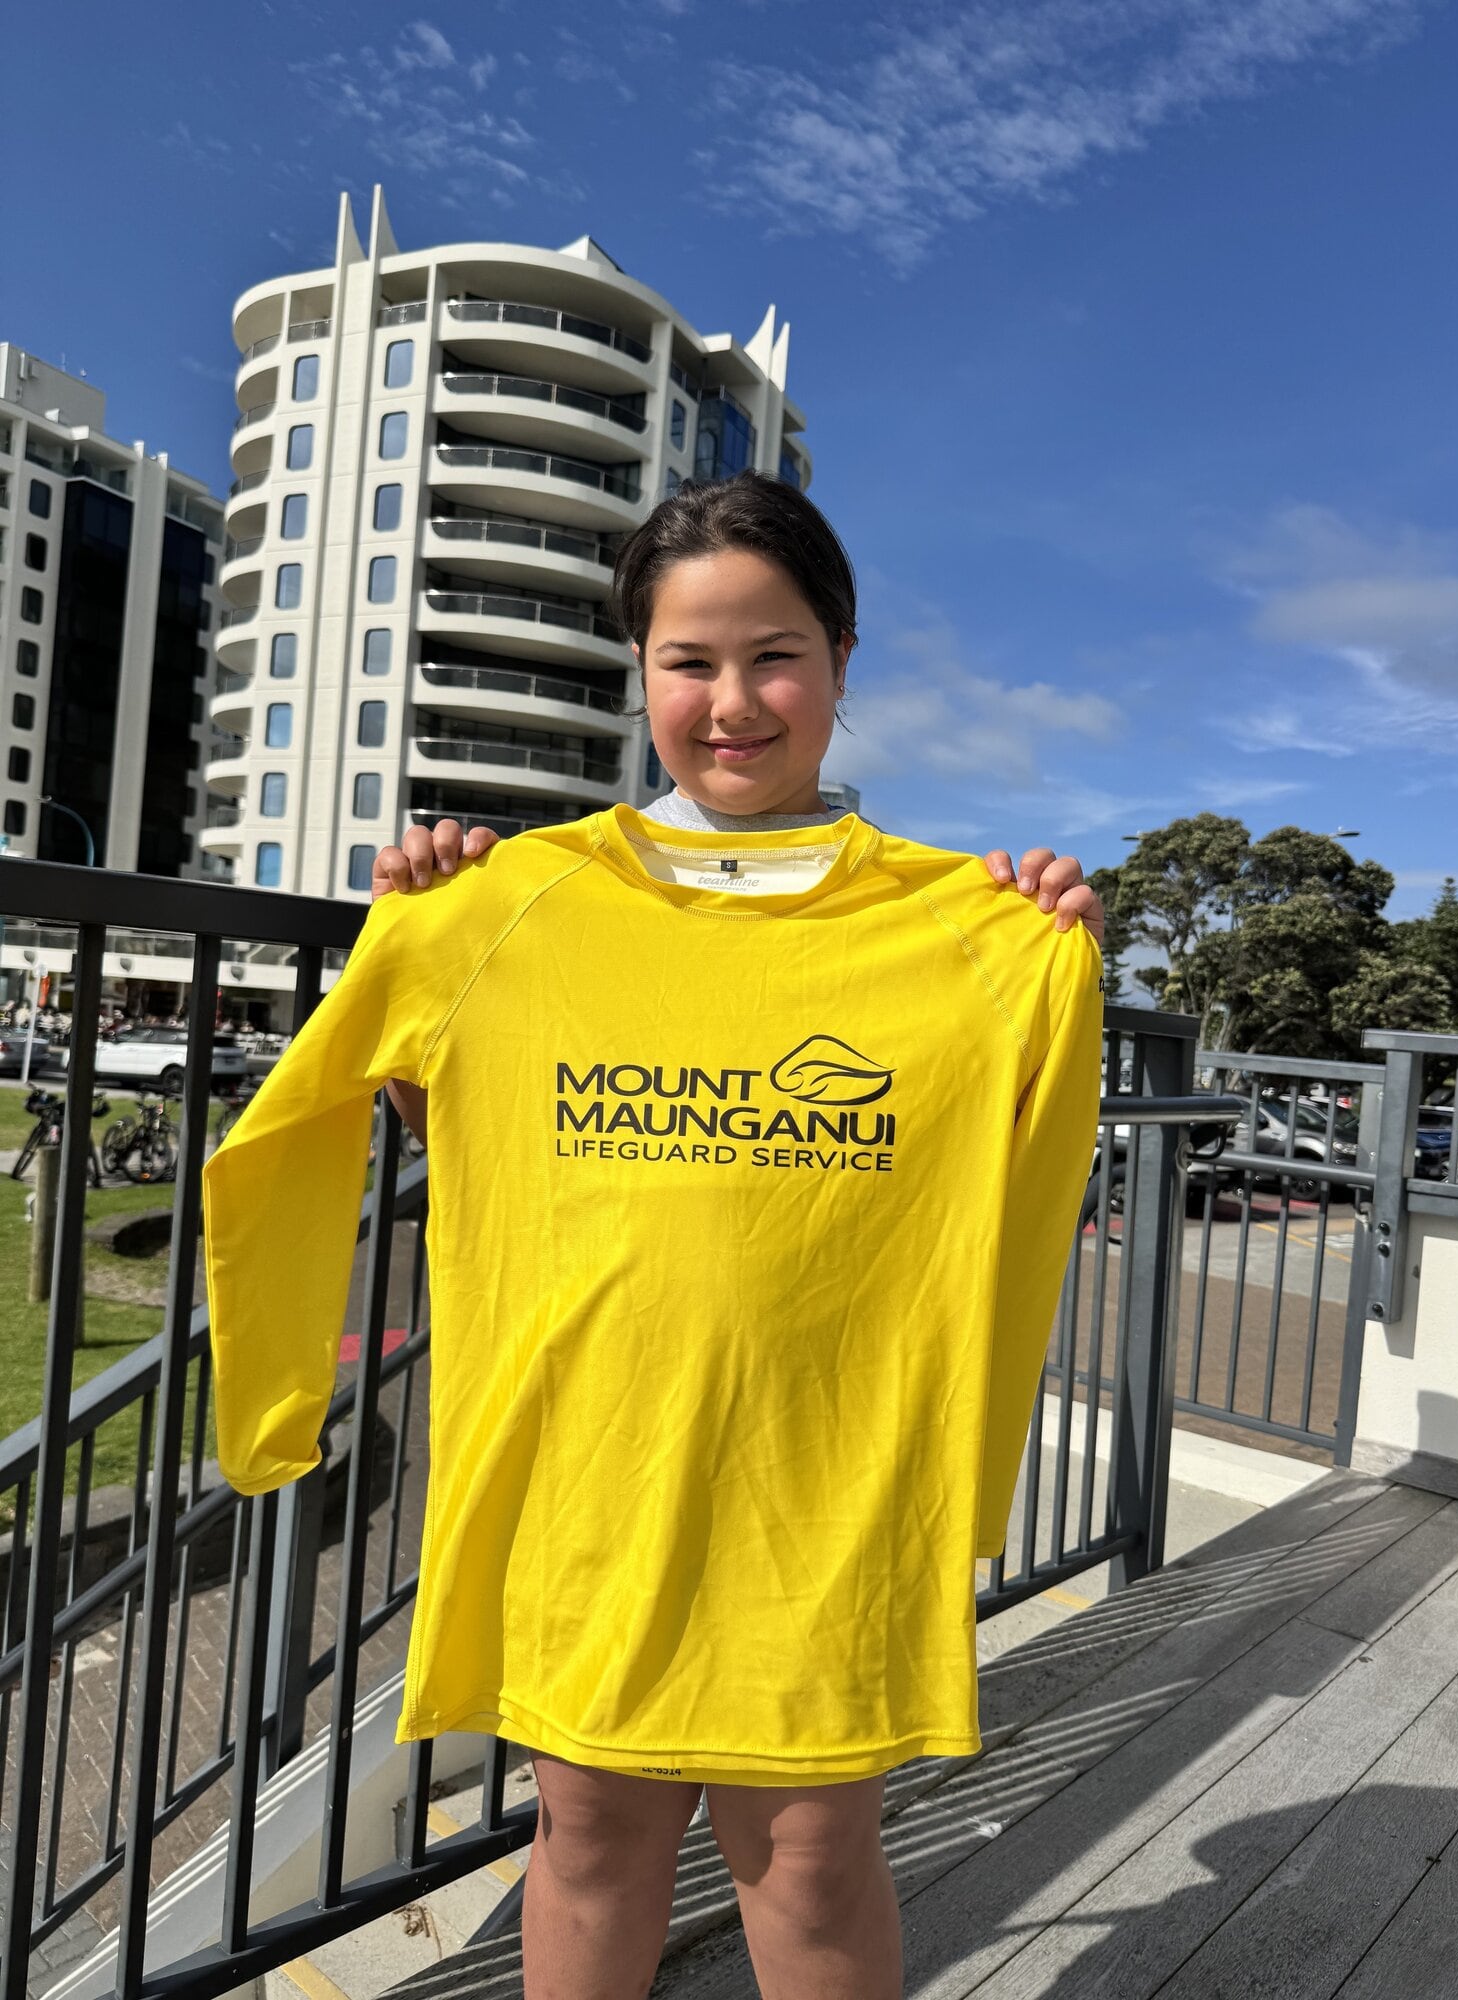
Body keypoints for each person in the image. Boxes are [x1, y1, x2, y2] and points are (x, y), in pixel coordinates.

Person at [203, 470, 1105, 2000]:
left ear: (839, 662)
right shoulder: (499, 907)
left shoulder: (979, 937)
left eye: (776, 655)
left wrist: (968, 1478)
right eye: (690, 661)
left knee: (813, 1852)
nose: (734, 701)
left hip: (826, 1487)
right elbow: (299, 1141)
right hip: (587, 1474)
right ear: (642, 674)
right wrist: (280, 1404)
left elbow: (1020, 1214)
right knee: (590, 1829)